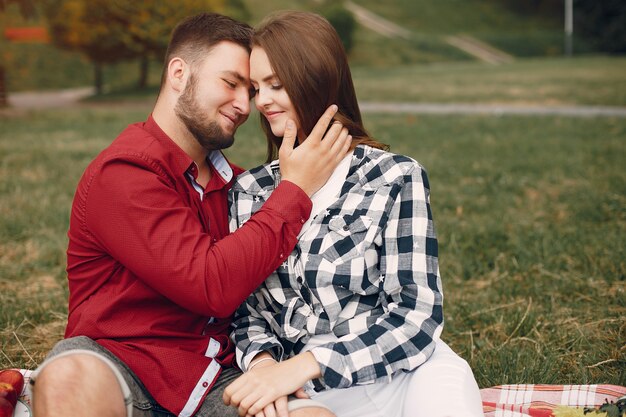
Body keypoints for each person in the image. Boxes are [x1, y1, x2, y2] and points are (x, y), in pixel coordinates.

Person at [29, 12, 351, 417]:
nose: (244, 105)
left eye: (249, 90)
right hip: (120, 364)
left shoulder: (239, 187)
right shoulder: (124, 172)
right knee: (67, 381)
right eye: (230, 83)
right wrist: (295, 190)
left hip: (220, 378)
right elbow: (209, 284)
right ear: (179, 73)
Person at [223, 11, 484, 417]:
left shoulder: (395, 176)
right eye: (257, 87)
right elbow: (247, 313)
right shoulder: (248, 192)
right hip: (310, 394)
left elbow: (417, 316)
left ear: (316, 78)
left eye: (276, 84)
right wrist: (263, 368)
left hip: (406, 374)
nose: (262, 101)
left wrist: (303, 366)